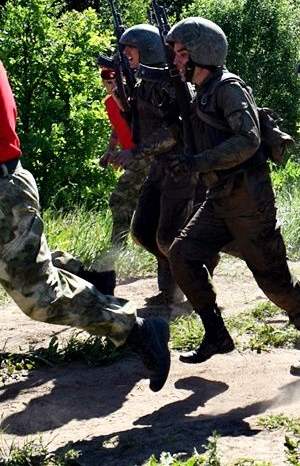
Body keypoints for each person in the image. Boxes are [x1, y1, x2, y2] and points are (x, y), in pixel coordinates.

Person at [0, 57, 170, 391]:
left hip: (3, 195)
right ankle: (85, 278)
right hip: (7, 189)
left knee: (40, 297)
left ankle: (135, 328)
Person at [164, 17, 300, 374]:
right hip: (220, 199)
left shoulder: (228, 88)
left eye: (182, 53)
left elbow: (248, 140)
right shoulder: (198, 93)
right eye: (175, 53)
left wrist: (197, 162)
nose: (176, 60)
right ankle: (217, 334)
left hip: (249, 202)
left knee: (275, 283)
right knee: (181, 256)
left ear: (203, 54)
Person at [110, 24, 193, 305]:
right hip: (158, 168)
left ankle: (186, 290)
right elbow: (135, 119)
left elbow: (173, 132)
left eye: (130, 47)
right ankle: (173, 288)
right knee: (144, 232)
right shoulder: (143, 82)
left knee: (168, 235)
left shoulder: (168, 83)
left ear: (147, 48)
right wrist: (120, 89)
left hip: (179, 171)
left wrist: (134, 153)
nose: (125, 52)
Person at [98, 67, 150, 252]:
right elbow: (116, 128)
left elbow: (147, 131)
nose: (113, 87)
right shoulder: (109, 103)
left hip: (146, 157)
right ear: (103, 84)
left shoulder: (135, 100)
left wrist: (133, 155)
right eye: (109, 83)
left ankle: (118, 250)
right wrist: (110, 150)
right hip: (131, 158)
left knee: (119, 200)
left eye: (116, 82)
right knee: (140, 201)